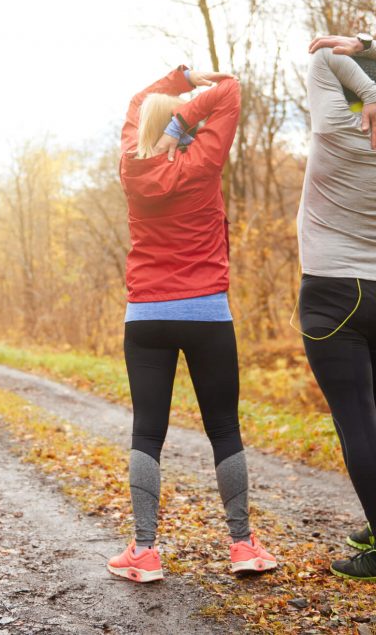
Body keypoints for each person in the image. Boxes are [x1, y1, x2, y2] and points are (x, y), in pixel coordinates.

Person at [106, 65, 277, 583]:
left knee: (147, 433)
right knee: (224, 428)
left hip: (148, 316)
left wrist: (175, 82)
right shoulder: (201, 161)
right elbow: (229, 91)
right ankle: (243, 545)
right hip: (208, 313)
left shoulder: (132, 168)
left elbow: (139, 102)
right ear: (176, 126)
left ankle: (144, 551)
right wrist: (192, 101)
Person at [296, 33, 376, 586]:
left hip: (332, 294)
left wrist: (363, 89)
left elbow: (323, 57)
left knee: (357, 425)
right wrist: (368, 49)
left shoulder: (332, 127)